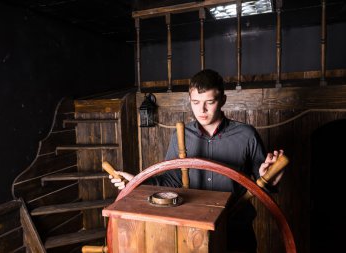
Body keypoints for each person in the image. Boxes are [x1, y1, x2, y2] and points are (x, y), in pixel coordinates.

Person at [110, 69, 284, 253]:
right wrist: (137, 181)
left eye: (210, 102)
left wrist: (269, 178)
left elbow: (261, 185)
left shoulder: (247, 135)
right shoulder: (180, 136)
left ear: (223, 101)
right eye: (196, 102)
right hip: (192, 231)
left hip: (236, 229)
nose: (202, 110)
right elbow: (172, 180)